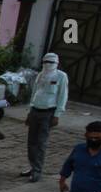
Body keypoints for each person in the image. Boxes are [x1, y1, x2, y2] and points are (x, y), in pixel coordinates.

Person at [22, 53, 70, 184]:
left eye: (51, 62)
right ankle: (32, 167)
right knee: (31, 142)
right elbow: (34, 94)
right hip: (35, 110)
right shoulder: (40, 75)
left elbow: (62, 96)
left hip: (48, 112)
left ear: (56, 63)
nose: (48, 64)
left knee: (41, 143)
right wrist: (30, 112)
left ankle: (37, 170)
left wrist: (57, 115)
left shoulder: (61, 76)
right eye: (46, 61)